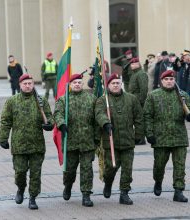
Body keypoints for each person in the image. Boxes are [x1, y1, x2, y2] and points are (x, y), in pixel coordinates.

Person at [0, 74, 54, 210]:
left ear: (33, 84)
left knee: (35, 174)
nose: (28, 86)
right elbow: (5, 121)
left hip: (37, 145)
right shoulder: (12, 101)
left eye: (30, 83)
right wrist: (3, 138)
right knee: (20, 172)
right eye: (25, 84)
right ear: (20, 85)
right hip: (19, 144)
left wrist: (50, 125)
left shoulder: (41, 101)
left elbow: (50, 117)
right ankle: (20, 188)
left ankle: (33, 198)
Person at [144, 70, 190, 203]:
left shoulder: (182, 95)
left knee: (180, 166)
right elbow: (147, 116)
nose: (169, 82)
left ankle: (178, 191)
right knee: (159, 166)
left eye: (171, 79)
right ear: (162, 81)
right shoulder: (153, 96)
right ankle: (158, 181)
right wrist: (149, 133)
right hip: (160, 137)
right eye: (166, 79)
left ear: (174, 80)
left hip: (179, 137)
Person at [95, 73, 144, 205]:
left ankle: (124, 193)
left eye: (118, 83)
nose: (116, 85)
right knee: (111, 167)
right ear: (108, 85)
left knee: (127, 169)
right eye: (113, 83)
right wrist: (105, 123)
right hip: (111, 141)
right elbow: (99, 113)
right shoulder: (102, 100)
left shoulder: (131, 99)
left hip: (128, 140)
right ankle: (108, 183)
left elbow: (139, 117)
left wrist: (139, 135)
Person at [54, 73, 99, 207]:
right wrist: (62, 124)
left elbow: (97, 119)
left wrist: (96, 138)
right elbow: (58, 113)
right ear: (70, 85)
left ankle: (86, 195)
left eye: (79, 82)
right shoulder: (63, 100)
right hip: (70, 141)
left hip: (87, 141)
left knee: (87, 170)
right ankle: (67, 186)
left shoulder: (91, 99)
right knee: (70, 171)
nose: (77, 84)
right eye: (75, 83)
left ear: (82, 84)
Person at [128, 57, 148, 145]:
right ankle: (138, 137)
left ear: (138, 64)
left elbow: (143, 89)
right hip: (134, 100)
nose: (132, 65)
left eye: (134, 64)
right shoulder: (134, 73)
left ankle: (140, 139)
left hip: (139, 101)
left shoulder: (141, 74)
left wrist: (140, 101)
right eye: (131, 64)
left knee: (139, 120)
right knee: (136, 120)